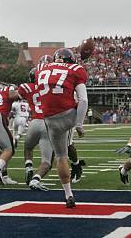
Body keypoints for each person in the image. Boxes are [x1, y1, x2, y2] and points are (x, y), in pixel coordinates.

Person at [36, 48, 88, 208]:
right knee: (69, 141)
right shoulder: (76, 69)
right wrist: (79, 124)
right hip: (68, 115)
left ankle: (68, 195)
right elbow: (83, 100)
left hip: (50, 119)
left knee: (60, 157)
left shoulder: (41, 69)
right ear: (70, 59)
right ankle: (77, 164)